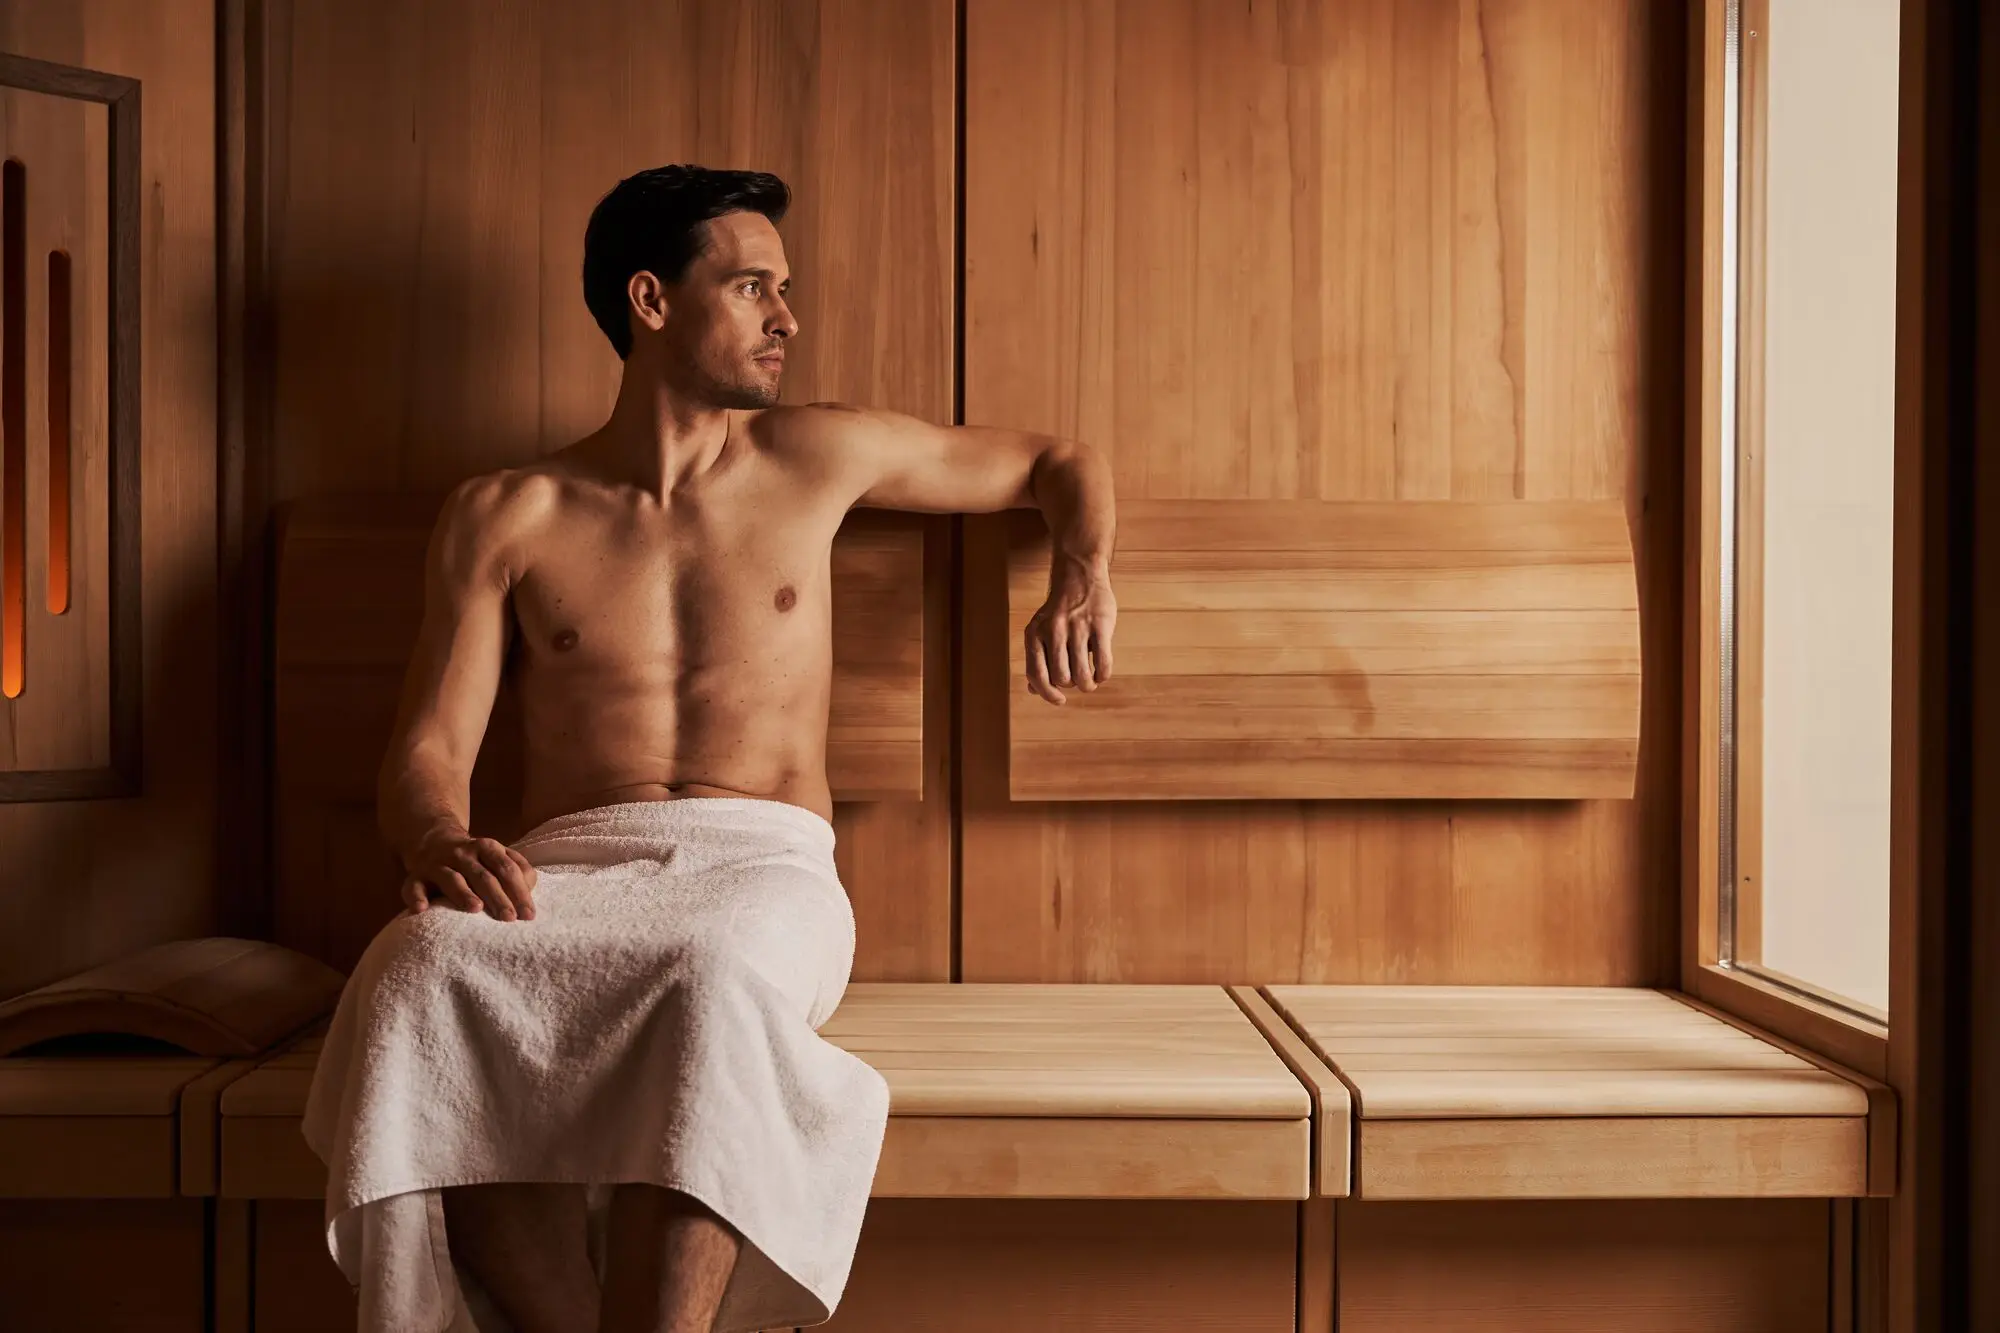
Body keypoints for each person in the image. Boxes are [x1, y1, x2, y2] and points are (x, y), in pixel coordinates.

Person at [299, 164, 1118, 1333]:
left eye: (783, 290)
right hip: (570, 862)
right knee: (415, 972)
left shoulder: (816, 457)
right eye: (751, 288)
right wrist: (438, 834)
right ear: (650, 299)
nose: (787, 318)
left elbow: (1058, 461)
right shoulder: (507, 513)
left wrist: (1082, 572)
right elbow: (430, 746)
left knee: (711, 978)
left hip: (763, 866)